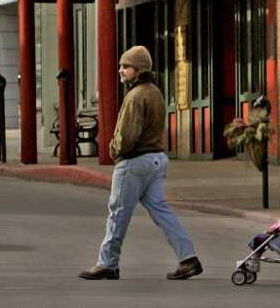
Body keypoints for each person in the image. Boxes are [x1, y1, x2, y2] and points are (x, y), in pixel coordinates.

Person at [79, 45, 203, 281]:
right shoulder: (155, 92)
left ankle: (107, 263)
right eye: (121, 66)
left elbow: (127, 137)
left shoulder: (135, 96)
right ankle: (188, 258)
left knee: (117, 214)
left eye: (126, 67)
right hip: (156, 159)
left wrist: (113, 149)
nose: (121, 70)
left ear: (139, 69)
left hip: (134, 163)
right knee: (161, 210)